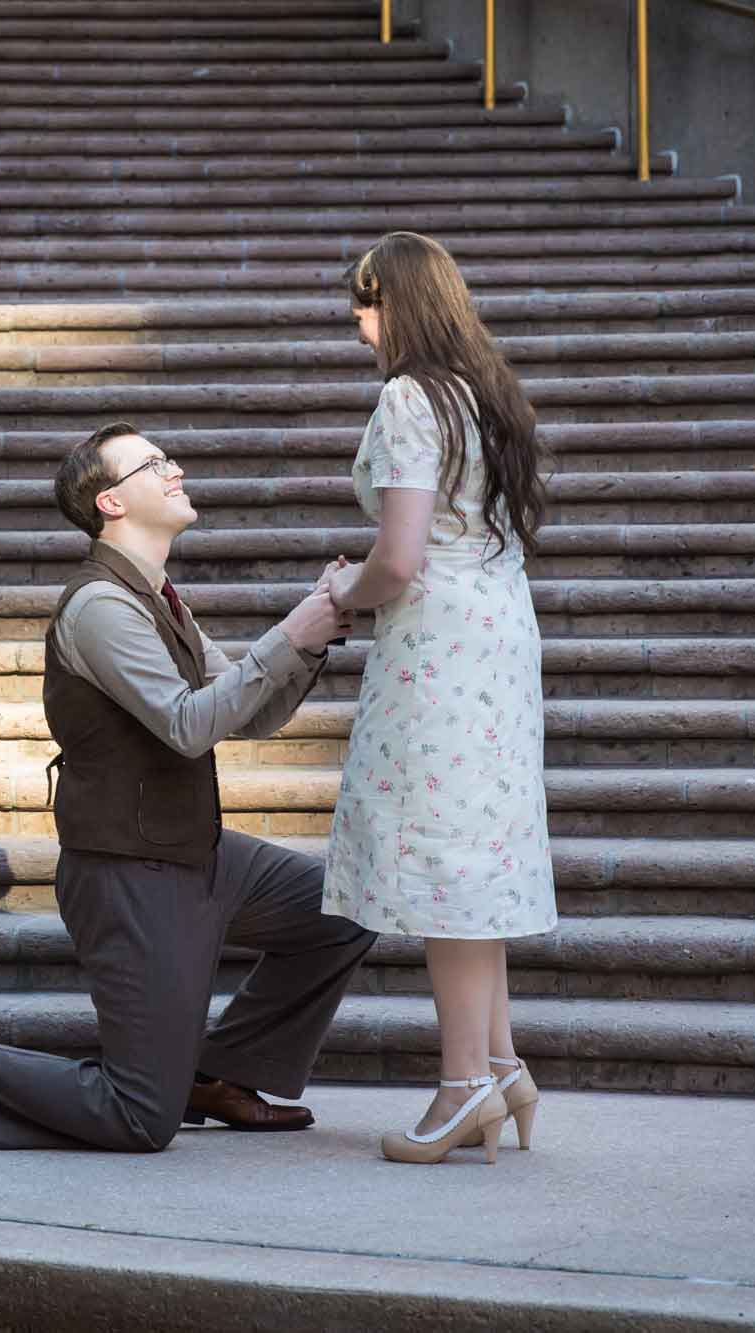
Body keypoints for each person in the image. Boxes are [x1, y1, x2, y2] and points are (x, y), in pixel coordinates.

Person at [0, 421, 377, 1151]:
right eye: (154, 464)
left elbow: (251, 712)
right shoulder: (100, 607)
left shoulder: (160, 597)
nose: (175, 470)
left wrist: (312, 641)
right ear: (111, 502)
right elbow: (187, 725)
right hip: (129, 873)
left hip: (198, 855)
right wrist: (292, 632)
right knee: (141, 1116)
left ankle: (221, 1074)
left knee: (346, 907)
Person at [318, 232, 556, 1165]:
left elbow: (401, 557)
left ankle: (463, 1087)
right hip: (498, 634)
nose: (359, 323)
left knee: (447, 861)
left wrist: (343, 591)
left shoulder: (410, 397)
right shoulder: (486, 392)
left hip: (440, 646)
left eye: (367, 304)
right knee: (475, 846)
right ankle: (500, 1064)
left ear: (401, 304)